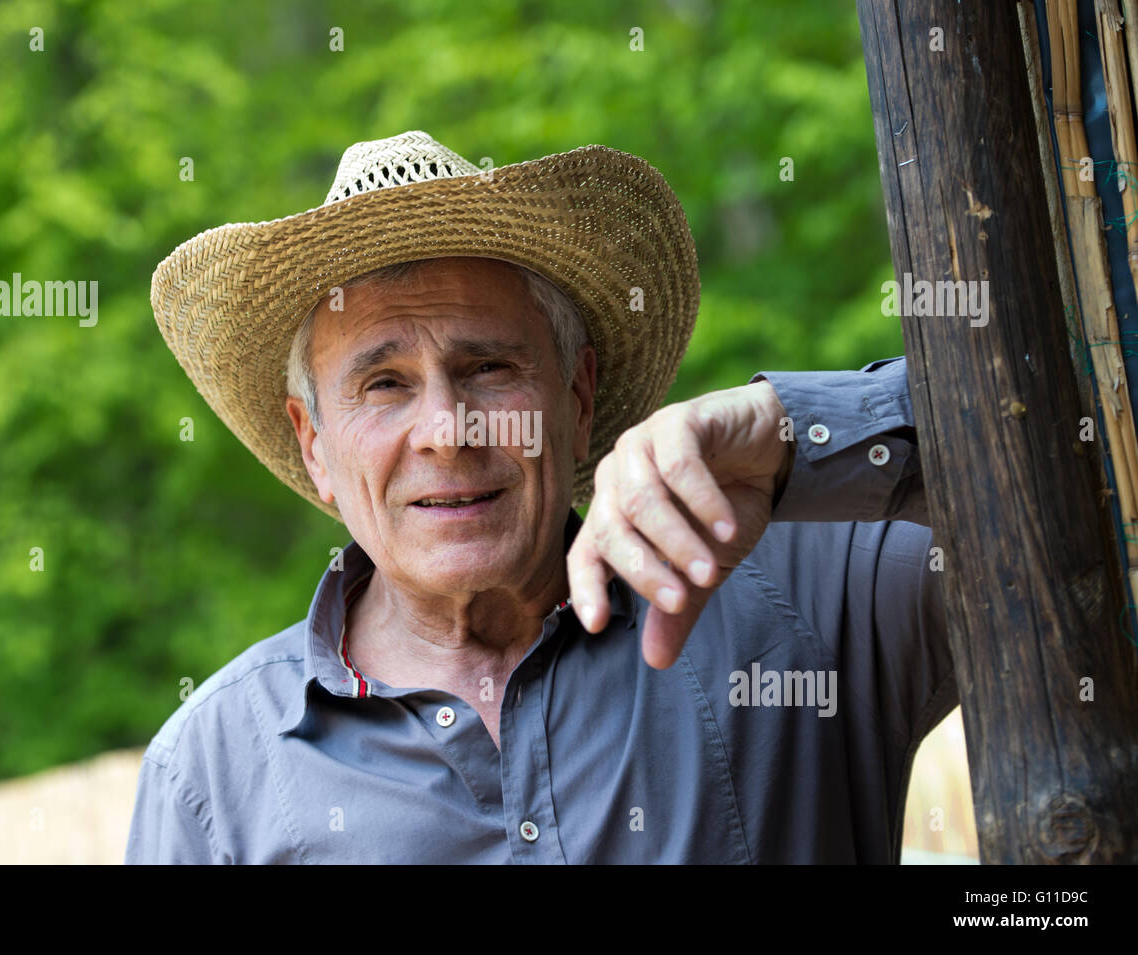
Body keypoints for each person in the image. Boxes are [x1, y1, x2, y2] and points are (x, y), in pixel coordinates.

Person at [127, 130, 953, 863]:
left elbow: (1061, 442)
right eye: (384, 384)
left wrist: (787, 428)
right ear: (314, 443)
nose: (447, 431)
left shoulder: (801, 590)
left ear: (579, 395)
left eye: (489, 368)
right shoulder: (212, 777)